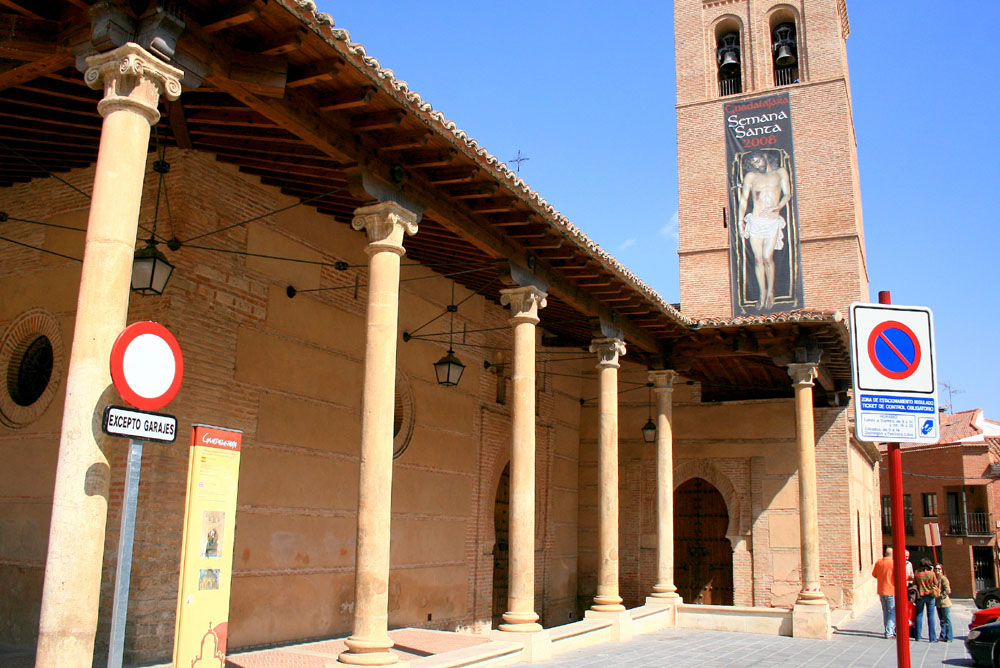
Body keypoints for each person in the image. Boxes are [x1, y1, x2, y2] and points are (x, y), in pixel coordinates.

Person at [737, 151, 792, 310]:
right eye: (753, 163)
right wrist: (741, 221)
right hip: (755, 220)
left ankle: (771, 292)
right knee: (757, 259)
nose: (756, 164)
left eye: (757, 160)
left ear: (765, 157)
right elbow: (744, 199)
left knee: (768, 258)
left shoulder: (780, 172)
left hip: (772, 220)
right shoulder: (751, 177)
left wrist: (779, 206)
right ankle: (762, 294)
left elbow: (787, 193)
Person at [871, 547, 896, 638]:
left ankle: (887, 630)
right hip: (891, 590)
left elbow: (874, 574)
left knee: (885, 611)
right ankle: (889, 632)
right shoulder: (894, 563)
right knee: (892, 612)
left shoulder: (879, 562)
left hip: (881, 590)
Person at [913, 558, 939, 642]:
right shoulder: (931, 574)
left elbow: (914, 583)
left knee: (919, 615)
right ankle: (932, 637)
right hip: (930, 595)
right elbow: (936, 583)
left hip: (920, 596)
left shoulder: (917, 573)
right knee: (931, 616)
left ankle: (918, 636)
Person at [936, 564, 953, 642]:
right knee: (942, 620)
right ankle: (943, 636)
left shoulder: (943, 579)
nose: (937, 570)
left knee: (947, 620)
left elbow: (948, 590)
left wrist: (941, 595)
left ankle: (949, 637)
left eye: (939, 569)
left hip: (945, 603)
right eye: (936, 569)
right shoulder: (936, 578)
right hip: (938, 603)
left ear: (942, 570)